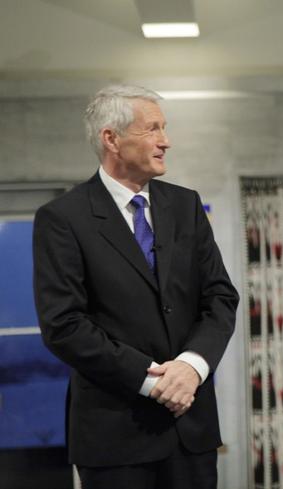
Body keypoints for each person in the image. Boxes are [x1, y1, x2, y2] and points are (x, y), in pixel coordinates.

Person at [33, 85, 239, 489]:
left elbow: (220, 298)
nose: (166, 141)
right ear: (111, 138)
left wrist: (192, 368)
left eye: (165, 128)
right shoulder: (62, 218)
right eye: (152, 129)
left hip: (190, 429)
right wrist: (155, 382)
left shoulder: (186, 205)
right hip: (114, 438)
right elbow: (64, 325)